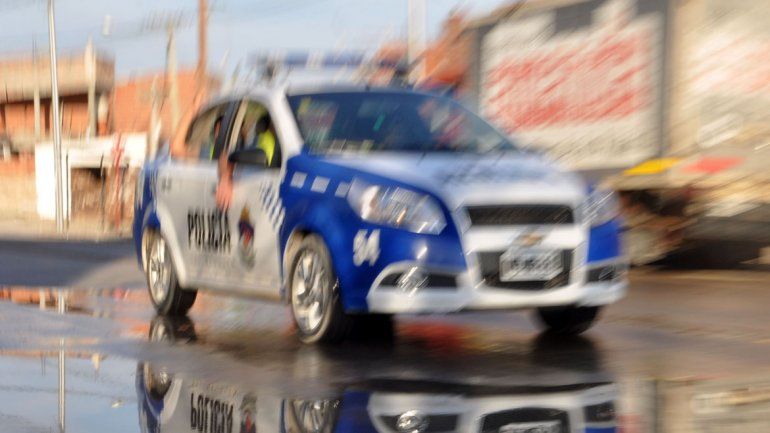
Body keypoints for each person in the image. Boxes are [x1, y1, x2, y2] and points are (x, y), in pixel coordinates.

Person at [215, 114, 276, 209]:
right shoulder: (264, 141)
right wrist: (224, 180)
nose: (244, 131)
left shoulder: (257, 142)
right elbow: (226, 156)